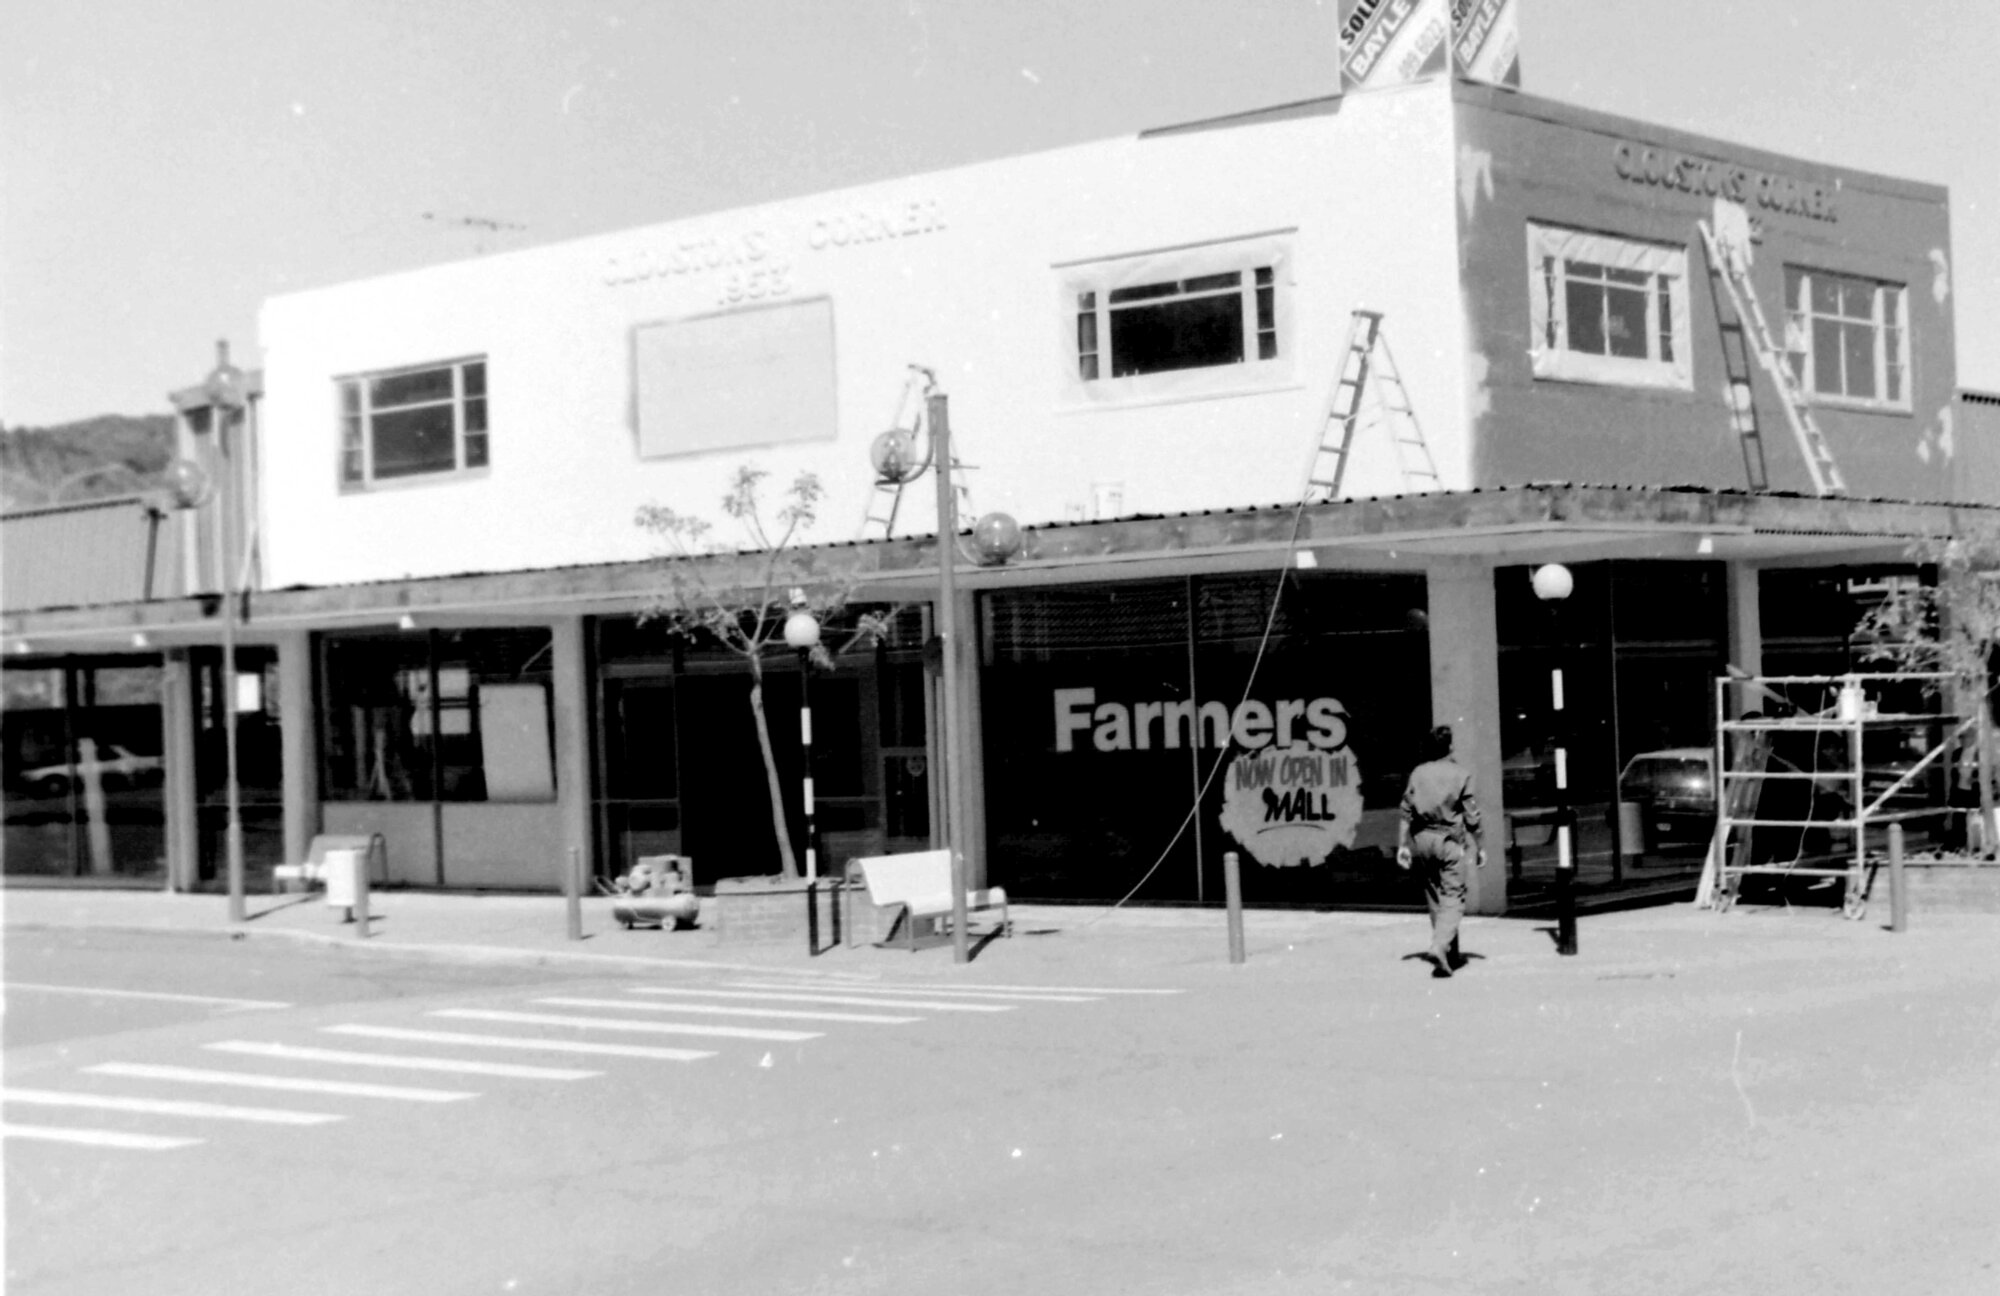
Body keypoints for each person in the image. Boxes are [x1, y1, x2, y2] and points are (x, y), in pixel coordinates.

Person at [1397, 724, 1485, 978]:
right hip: (1449, 841)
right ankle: (1439, 947)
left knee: (1436, 897)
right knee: (1454, 898)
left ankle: (1449, 955)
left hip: (1422, 839)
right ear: (1449, 747)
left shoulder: (1418, 773)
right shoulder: (1460, 774)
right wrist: (1481, 846)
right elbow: (1472, 816)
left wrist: (1402, 845)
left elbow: (1405, 811)